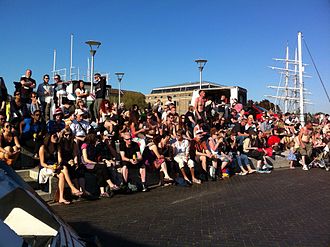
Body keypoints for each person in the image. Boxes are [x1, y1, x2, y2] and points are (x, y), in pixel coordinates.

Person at [38, 133, 83, 205]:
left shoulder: (57, 146)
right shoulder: (43, 148)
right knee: (64, 168)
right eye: (54, 136)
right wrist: (51, 167)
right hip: (46, 167)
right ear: (49, 137)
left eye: (56, 136)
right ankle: (72, 188)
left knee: (62, 174)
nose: (56, 138)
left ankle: (61, 198)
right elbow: (42, 163)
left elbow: (60, 159)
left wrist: (58, 165)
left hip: (56, 166)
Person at [81, 133, 118, 197]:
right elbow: (86, 159)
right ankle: (111, 184)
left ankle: (102, 192)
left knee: (100, 171)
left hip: (94, 164)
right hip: (87, 164)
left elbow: (98, 157)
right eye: (95, 138)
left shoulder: (94, 146)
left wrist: (103, 160)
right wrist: (97, 163)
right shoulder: (85, 145)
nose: (97, 140)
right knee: (102, 166)